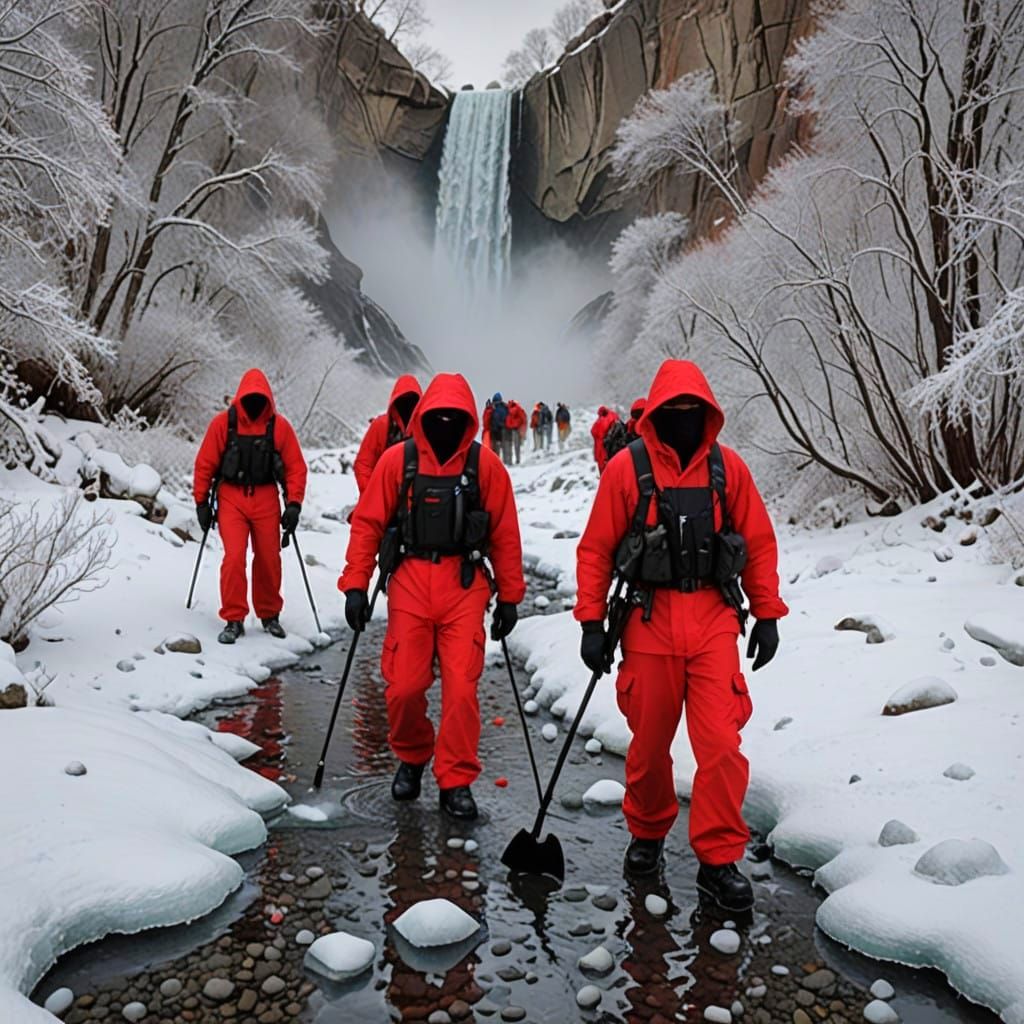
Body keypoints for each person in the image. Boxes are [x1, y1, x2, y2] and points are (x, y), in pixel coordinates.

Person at [574, 359, 787, 911]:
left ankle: (718, 860)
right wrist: (591, 623)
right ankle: (647, 835)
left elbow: (758, 542)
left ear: (708, 414)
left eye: (695, 411)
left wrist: (767, 613)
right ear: (659, 413)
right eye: (677, 410)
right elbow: (596, 549)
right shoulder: (626, 470)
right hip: (648, 624)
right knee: (649, 746)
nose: (686, 419)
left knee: (720, 747)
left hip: (714, 622)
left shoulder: (728, 470)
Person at [339, 373, 526, 821]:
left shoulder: (485, 467)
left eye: (454, 417)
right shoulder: (397, 462)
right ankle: (412, 755)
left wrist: (510, 596)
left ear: (466, 420)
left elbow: (505, 535)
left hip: (464, 585)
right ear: (424, 417)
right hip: (409, 582)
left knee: (461, 690)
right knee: (404, 687)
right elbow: (367, 524)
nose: (445, 422)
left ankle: (456, 779)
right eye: (438, 416)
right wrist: (355, 585)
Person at [194, 368, 308, 645]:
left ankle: (270, 614)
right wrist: (201, 502)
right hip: (231, 497)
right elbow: (205, 464)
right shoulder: (223, 424)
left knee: (269, 557)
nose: (254, 403)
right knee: (234, 557)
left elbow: (295, 468)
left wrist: (294, 503)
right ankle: (234, 618)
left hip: (266, 496)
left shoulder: (279, 427)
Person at [353, 375, 422, 493]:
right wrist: (372, 493)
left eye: (412, 400)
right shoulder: (381, 425)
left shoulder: (425, 426)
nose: (407, 405)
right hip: (383, 494)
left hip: (414, 498)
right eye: (403, 400)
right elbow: (364, 464)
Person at [590, 405, 620, 473]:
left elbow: (593, 431)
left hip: (602, 450)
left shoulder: (599, 423)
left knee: (604, 470)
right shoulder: (613, 417)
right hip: (611, 449)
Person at [490, 392, 510, 463]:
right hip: (505, 429)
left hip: (498, 430)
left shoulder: (497, 410)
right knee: (505, 446)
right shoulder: (505, 408)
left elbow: (496, 419)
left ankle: (497, 462)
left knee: (497, 447)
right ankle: (507, 461)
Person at [505, 399, 526, 465]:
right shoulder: (518, 409)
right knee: (517, 445)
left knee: (511, 445)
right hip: (517, 428)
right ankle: (517, 459)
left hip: (512, 429)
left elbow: (509, 420)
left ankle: (514, 460)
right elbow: (523, 419)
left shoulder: (510, 410)